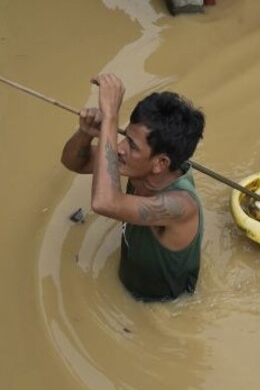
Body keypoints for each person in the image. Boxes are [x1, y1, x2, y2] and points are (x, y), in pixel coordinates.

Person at [60, 74, 206, 302]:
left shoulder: (181, 205)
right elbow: (73, 162)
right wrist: (86, 133)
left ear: (160, 163)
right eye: (124, 137)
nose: (119, 148)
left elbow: (104, 203)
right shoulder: (136, 167)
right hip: (129, 286)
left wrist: (110, 117)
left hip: (164, 309)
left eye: (132, 146)